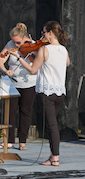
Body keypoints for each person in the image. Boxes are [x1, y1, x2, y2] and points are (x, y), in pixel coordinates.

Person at [9, 21, 70, 165]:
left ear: (50, 33)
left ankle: (55, 157)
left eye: (43, 32)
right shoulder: (63, 50)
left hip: (46, 92)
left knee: (51, 126)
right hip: (59, 92)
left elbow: (32, 70)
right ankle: (52, 155)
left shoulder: (44, 49)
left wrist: (19, 57)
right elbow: (66, 63)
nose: (42, 35)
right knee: (52, 125)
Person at [0, 23, 37, 150]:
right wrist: (5, 70)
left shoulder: (33, 45)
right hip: (12, 82)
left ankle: (22, 141)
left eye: (18, 42)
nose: (17, 45)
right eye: (14, 42)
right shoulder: (10, 44)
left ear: (25, 37)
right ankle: (9, 140)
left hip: (29, 83)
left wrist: (25, 55)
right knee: (9, 112)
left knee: (25, 112)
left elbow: (36, 64)